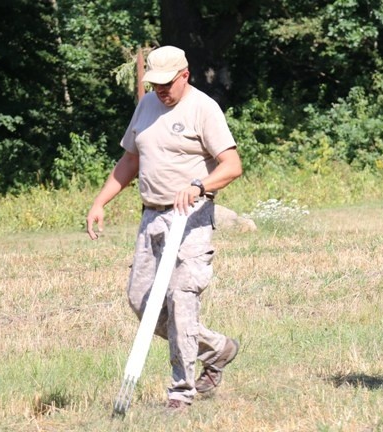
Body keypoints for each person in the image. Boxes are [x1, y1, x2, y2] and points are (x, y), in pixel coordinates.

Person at [86, 45, 242, 410]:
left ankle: (181, 392)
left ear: (184, 75)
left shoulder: (204, 109)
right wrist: (100, 201)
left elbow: (232, 165)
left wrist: (199, 186)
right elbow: (130, 159)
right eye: (154, 83)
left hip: (191, 219)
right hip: (150, 217)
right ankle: (218, 349)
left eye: (166, 83)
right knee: (140, 301)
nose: (160, 90)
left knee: (181, 301)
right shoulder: (147, 105)